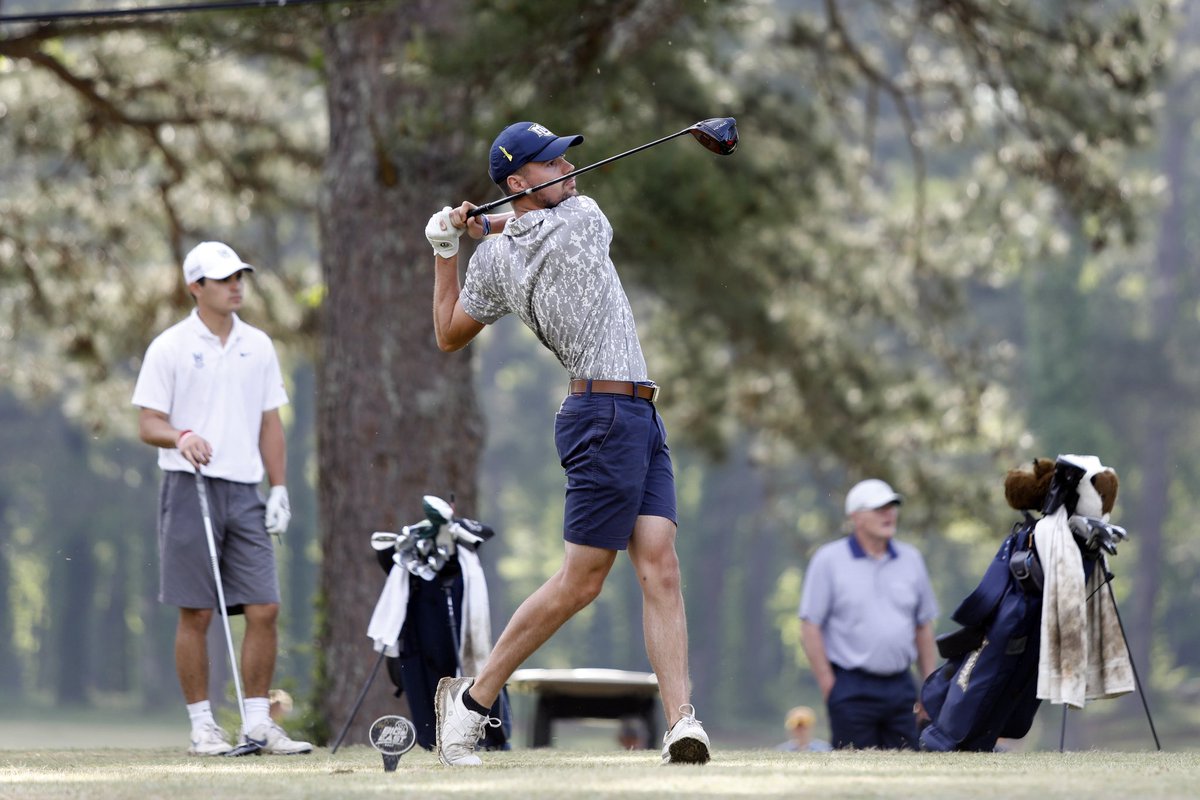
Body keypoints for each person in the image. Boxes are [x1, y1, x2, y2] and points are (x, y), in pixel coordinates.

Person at [425, 121, 710, 767]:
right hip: (602, 414)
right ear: (518, 182)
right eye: (551, 164)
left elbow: (447, 326)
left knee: (660, 563)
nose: (569, 171)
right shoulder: (581, 218)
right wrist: (469, 237)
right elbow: (450, 337)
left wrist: (448, 247)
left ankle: (681, 723)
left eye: (565, 159)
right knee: (581, 583)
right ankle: (470, 705)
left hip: (636, 412)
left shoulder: (500, 257)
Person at [131, 241, 311, 757]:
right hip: (189, 488)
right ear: (196, 287)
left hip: (246, 490)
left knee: (265, 606)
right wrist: (181, 436)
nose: (236, 285)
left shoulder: (258, 344)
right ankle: (203, 726)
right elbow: (148, 422)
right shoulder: (169, 346)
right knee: (198, 613)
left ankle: (257, 724)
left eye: (240, 276)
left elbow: (270, 422)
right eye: (223, 278)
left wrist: (278, 487)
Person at [798, 478, 938, 750]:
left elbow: (923, 627)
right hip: (851, 686)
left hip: (901, 685)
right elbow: (810, 626)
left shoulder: (911, 559)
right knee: (852, 771)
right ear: (856, 517)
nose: (889, 514)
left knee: (907, 769)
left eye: (892, 507)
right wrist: (830, 686)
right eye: (879, 509)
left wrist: (928, 689)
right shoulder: (828, 560)